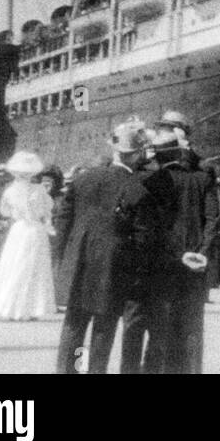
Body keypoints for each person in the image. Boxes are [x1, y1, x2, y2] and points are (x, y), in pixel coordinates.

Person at [55, 122, 157, 373]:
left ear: (115, 150)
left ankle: (68, 370)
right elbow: (142, 238)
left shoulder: (82, 179)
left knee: (74, 325)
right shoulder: (136, 189)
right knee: (103, 327)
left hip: (78, 264)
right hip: (112, 269)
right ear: (135, 155)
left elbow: (63, 223)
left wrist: (65, 258)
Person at [140, 123, 218, 374]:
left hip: (165, 264)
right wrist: (201, 253)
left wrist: (177, 254)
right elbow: (214, 220)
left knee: (160, 325)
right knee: (193, 326)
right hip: (197, 264)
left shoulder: (155, 181)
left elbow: (153, 226)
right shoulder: (203, 179)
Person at [0, 151, 56, 320]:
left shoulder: (10, 191)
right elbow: (47, 209)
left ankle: (6, 305)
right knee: (34, 267)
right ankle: (31, 308)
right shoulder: (39, 189)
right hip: (35, 229)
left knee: (12, 264)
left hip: (19, 229)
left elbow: (4, 212)